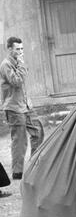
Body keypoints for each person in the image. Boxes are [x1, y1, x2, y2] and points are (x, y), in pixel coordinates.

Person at [0, 37, 44, 180]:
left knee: (38, 131)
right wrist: (22, 66)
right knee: (20, 140)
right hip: (13, 107)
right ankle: (17, 172)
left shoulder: (19, 63)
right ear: (10, 49)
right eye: (17, 49)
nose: (20, 52)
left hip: (26, 105)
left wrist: (21, 65)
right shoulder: (6, 65)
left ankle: (34, 165)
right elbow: (16, 81)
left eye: (22, 49)